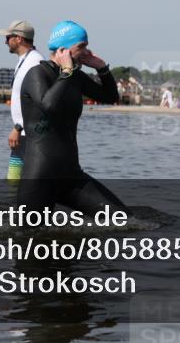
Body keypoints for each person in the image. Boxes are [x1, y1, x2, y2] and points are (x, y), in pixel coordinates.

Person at [18, 20, 125, 214]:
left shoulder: (75, 77)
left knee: (122, 218)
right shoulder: (37, 73)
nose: (86, 51)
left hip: (71, 175)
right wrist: (66, 71)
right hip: (40, 175)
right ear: (63, 49)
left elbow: (110, 96)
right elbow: (49, 105)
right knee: (30, 239)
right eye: (81, 46)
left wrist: (102, 68)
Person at [0, 19, 44, 181]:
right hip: (24, 133)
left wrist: (18, 127)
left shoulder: (35, 63)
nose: (5, 41)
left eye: (8, 37)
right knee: (14, 181)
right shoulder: (24, 61)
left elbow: (39, 102)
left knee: (18, 181)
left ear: (19, 39)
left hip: (29, 133)